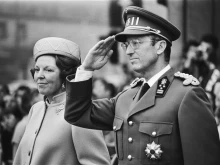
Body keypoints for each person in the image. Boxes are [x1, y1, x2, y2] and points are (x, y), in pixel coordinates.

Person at [64, 6, 220, 165]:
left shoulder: (186, 95)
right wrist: (86, 70)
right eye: (127, 45)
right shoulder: (126, 97)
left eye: (136, 43)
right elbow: (77, 114)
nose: (129, 51)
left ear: (160, 46)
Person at [13, 37, 111, 165]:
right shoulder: (36, 109)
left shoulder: (79, 111)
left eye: (48, 70)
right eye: (37, 69)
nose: (39, 75)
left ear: (65, 74)